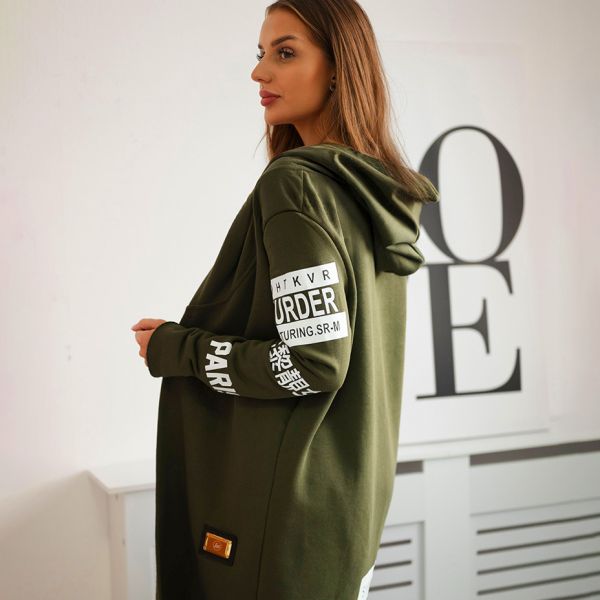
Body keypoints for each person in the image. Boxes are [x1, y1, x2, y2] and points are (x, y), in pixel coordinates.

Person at [131, 1, 439, 598]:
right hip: (346, 516)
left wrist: (178, 349)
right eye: (261, 53)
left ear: (339, 67)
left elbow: (313, 363)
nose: (259, 72)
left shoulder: (297, 184)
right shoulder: (374, 192)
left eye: (286, 52)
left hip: (284, 526)